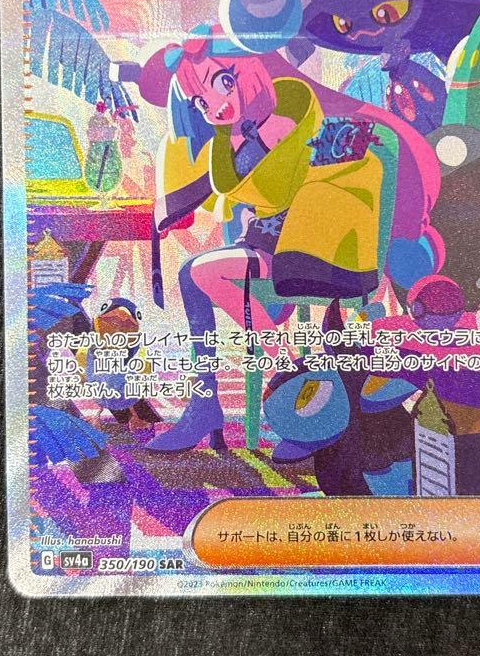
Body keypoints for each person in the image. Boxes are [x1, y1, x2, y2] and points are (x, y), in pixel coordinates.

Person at [144, 26, 386, 452]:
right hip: (265, 243)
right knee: (192, 275)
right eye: (201, 101)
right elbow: (225, 184)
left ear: (247, 69)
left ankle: (277, 362)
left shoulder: (291, 101)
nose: (215, 105)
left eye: (222, 82)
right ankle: (218, 398)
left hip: (303, 245)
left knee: (197, 274)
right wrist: (224, 133)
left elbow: (269, 188)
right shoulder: (231, 132)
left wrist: (236, 138)